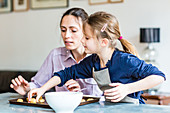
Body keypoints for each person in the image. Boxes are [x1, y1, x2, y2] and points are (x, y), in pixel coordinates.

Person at [28, 11, 165, 104]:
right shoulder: (92, 62)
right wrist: (42, 89)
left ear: (103, 42)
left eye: (87, 38)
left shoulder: (125, 60)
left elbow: (159, 76)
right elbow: (65, 74)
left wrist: (127, 88)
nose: (83, 41)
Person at [10, 8, 103, 96]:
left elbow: (108, 92)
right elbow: (38, 84)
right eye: (63, 30)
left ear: (85, 31)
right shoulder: (55, 56)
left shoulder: (99, 57)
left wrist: (80, 92)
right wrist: (27, 89)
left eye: (73, 30)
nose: (66, 35)